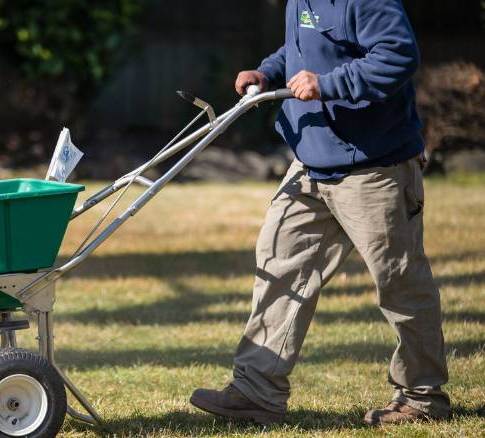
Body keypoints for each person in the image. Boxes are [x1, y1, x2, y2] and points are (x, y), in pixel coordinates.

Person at [189, 0, 450, 426]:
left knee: (399, 281)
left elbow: (398, 54)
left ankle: (422, 397)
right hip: (311, 162)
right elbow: (301, 48)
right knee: (279, 267)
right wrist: (267, 72)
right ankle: (258, 391)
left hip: (373, 167)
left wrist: (329, 84)